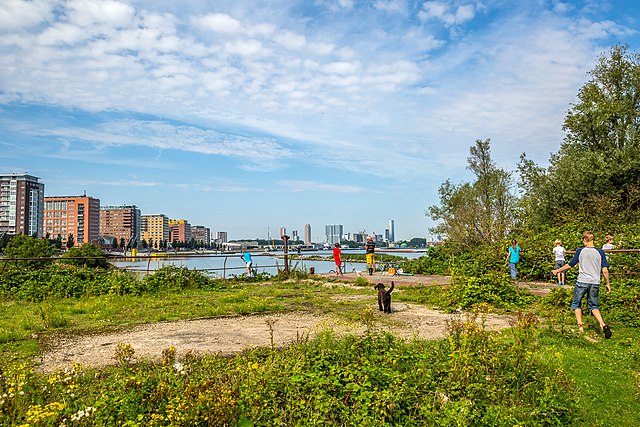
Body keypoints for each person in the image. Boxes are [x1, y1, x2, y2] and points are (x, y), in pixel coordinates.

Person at [552, 231, 612, 338]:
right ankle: (603, 325)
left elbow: (570, 264)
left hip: (582, 281)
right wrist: (607, 283)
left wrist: (557, 271)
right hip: (595, 282)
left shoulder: (580, 251)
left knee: (577, 304)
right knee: (594, 306)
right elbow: (605, 270)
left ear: (585, 240)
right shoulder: (600, 252)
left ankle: (580, 328)